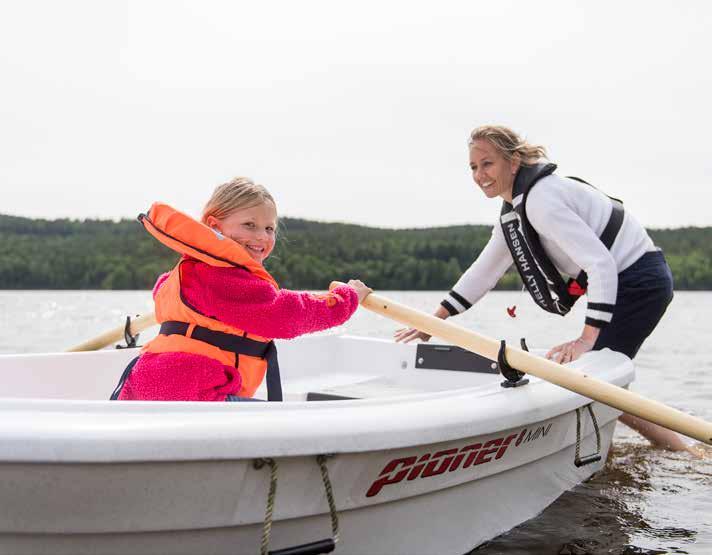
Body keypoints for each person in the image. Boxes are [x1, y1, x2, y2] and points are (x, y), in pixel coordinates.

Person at [395, 124, 691, 452]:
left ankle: (683, 451)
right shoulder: (514, 211)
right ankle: (668, 449)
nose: (480, 174)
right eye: (473, 167)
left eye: (488, 163)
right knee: (598, 379)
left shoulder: (541, 201)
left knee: (594, 378)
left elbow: (601, 264)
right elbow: (483, 272)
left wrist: (585, 339)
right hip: (627, 281)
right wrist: (431, 323)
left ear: (514, 162)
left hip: (641, 282)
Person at [115, 177, 371, 402]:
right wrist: (346, 298)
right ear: (214, 226)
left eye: (269, 228)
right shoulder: (223, 278)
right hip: (192, 395)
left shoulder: (184, 274)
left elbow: (162, 289)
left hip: (145, 388)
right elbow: (284, 314)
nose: (262, 236)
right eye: (249, 225)